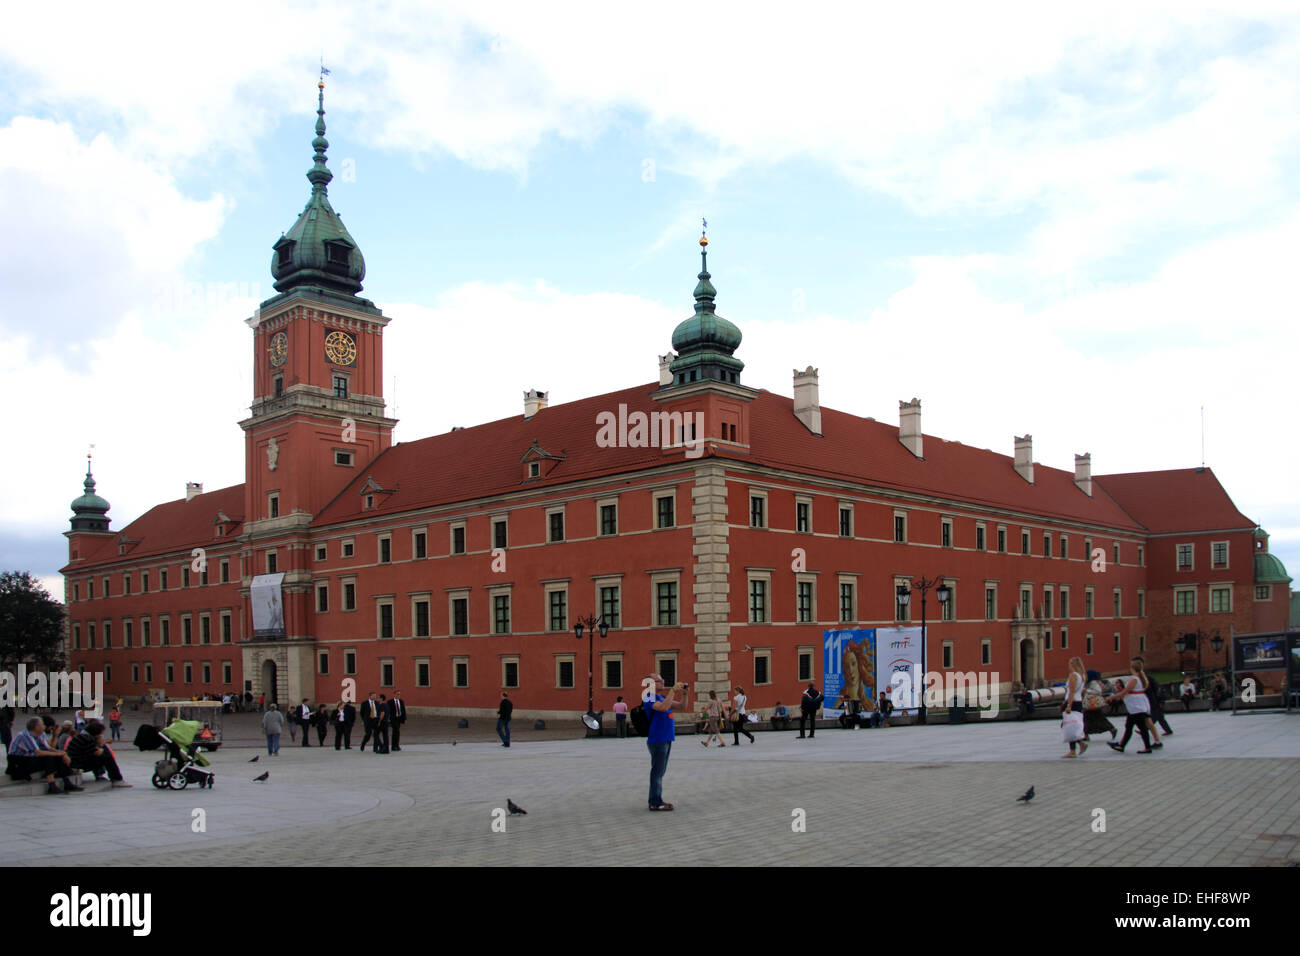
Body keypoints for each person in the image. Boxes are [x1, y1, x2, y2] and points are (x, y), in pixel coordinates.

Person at [6, 717, 82, 794]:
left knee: (57, 757)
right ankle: (51, 785)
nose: (44, 726)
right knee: (48, 758)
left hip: (30, 758)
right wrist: (58, 753)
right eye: (42, 725)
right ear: (36, 727)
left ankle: (67, 782)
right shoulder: (24, 735)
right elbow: (38, 752)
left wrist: (62, 754)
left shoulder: (41, 734)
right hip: (18, 761)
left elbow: (48, 748)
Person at [643, 673, 684, 810]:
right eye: (659, 681)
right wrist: (672, 691)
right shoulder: (648, 697)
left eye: (662, 680)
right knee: (657, 772)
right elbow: (664, 708)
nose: (662, 682)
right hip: (657, 739)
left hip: (666, 738)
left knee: (660, 771)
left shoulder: (661, 697)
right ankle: (655, 802)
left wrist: (685, 694)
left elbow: (681, 706)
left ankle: (656, 799)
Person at [66, 719, 131, 787]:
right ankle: (116, 779)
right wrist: (101, 744)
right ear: (96, 733)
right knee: (107, 756)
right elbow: (97, 753)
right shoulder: (86, 738)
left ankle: (105, 776)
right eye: (101, 733)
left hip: (76, 761)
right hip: (76, 764)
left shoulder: (83, 736)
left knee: (105, 752)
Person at [1108, 659, 1154, 754]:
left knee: (1139, 728)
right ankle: (1122, 745)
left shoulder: (1135, 679)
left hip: (1135, 707)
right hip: (1139, 706)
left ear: (1132, 668)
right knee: (1130, 726)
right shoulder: (1142, 678)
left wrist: (1112, 697)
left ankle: (1146, 747)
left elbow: (1125, 691)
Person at [1060, 656, 1089, 757]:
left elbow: (1071, 692)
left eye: (1069, 664)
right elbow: (1080, 690)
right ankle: (1079, 745)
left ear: (1073, 665)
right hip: (1078, 701)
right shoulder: (1082, 676)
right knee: (1071, 725)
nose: (1068, 666)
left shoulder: (1073, 675)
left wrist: (1068, 705)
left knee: (1068, 725)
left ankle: (1074, 749)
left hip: (1072, 702)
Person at [1083, 675, 1117, 741]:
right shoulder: (1087, 683)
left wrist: (1086, 690)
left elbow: (1098, 691)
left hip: (1093, 704)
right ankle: (1085, 734)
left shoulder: (1093, 683)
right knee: (1088, 718)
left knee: (1096, 718)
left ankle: (1112, 729)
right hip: (1090, 704)